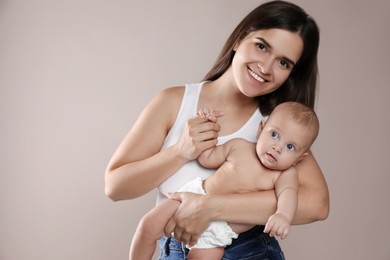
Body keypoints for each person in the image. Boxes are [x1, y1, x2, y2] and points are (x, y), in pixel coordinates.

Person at [105, 0, 329, 259]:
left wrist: (211, 207)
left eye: (283, 63)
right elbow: (115, 186)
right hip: (178, 247)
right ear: (239, 39)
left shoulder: (278, 126)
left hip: (247, 251)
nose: (266, 68)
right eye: (262, 46)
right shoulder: (174, 102)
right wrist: (180, 152)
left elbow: (317, 205)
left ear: (291, 73)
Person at [129, 102, 320, 260]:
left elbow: (288, 194)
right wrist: (208, 127)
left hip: (220, 230)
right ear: (261, 129)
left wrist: (283, 216)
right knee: (148, 225)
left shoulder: (284, 174)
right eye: (274, 134)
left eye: (289, 146)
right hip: (194, 196)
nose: (277, 147)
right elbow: (206, 158)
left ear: (300, 158)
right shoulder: (239, 147)